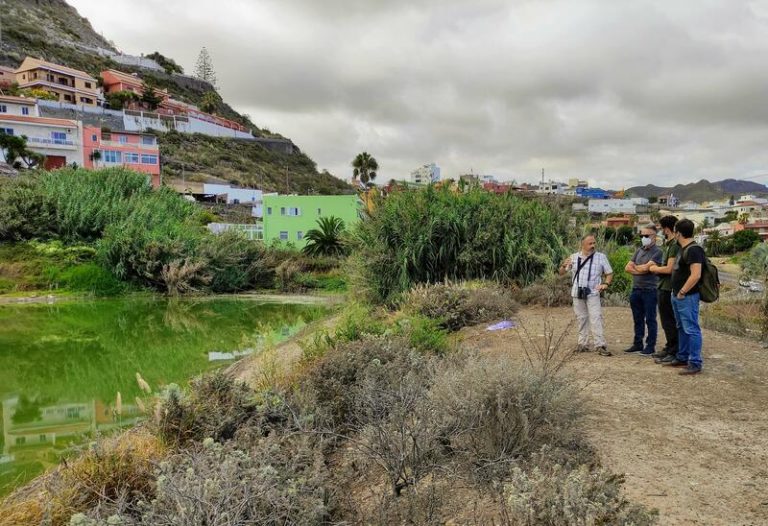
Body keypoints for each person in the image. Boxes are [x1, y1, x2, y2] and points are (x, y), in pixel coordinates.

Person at [559, 234, 614, 356]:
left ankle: (600, 345)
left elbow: (609, 273)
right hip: (577, 292)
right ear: (582, 244)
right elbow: (561, 272)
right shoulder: (573, 257)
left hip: (593, 292)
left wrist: (605, 284)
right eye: (590, 243)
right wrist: (563, 265)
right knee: (581, 318)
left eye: (594, 243)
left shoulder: (601, 257)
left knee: (596, 318)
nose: (593, 245)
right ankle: (582, 344)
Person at [664, 218, 704, 375]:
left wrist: (682, 292)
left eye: (675, 231)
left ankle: (695, 362)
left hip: (687, 297)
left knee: (691, 328)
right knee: (681, 327)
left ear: (678, 233)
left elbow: (696, 275)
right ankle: (682, 356)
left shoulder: (694, 250)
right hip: (678, 295)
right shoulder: (683, 248)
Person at [623, 224, 663, 356]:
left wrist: (637, 268)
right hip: (636, 289)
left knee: (650, 319)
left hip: (650, 290)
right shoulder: (639, 250)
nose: (643, 238)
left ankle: (650, 346)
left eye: (646, 235)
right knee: (637, 318)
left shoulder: (658, 252)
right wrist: (641, 269)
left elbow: (646, 268)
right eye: (642, 235)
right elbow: (627, 268)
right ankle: (637, 343)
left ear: (654, 237)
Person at [648, 216, 680, 363]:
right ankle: (669, 347)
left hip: (668, 288)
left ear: (666, 229)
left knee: (669, 321)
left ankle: (674, 350)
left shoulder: (674, 246)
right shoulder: (669, 245)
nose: (661, 231)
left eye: (661, 228)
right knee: (666, 320)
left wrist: (654, 268)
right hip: (663, 286)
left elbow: (669, 269)